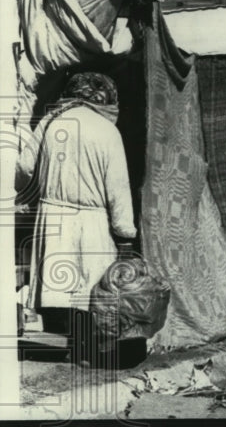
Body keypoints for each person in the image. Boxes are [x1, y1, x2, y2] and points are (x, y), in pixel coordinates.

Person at [18, 72, 137, 363]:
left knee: (67, 288)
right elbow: (118, 188)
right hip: (91, 220)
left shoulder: (52, 123)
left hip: (54, 216)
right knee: (90, 289)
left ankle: (75, 345)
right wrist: (125, 233)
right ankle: (87, 350)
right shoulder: (108, 132)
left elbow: (23, 169)